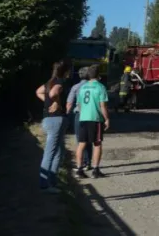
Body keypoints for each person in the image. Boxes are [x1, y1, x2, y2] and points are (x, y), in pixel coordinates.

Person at [35, 59, 70, 193]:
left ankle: (53, 181)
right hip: (56, 120)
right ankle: (44, 184)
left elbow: (38, 92)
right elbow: (53, 93)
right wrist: (57, 102)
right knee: (50, 152)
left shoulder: (49, 82)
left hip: (48, 120)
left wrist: (48, 102)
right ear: (65, 71)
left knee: (58, 152)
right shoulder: (60, 83)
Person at [74, 64, 110, 179]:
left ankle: (79, 170)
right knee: (97, 143)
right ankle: (95, 170)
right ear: (99, 75)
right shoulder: (100, 87)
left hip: (83, 118)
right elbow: (102, 105)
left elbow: (79, 105)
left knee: (81, 144)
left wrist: (84, 112)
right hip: (95, 118)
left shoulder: (83, 87)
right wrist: (107, 118)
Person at [66, 66, 92, 171]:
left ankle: (80, 164)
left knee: (80, 140)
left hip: (79, 115)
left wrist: (67, 116)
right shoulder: (94, 86)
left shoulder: (75, 87)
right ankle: (88, 162)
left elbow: (69, 103)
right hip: (91, 115)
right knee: (89, 139)